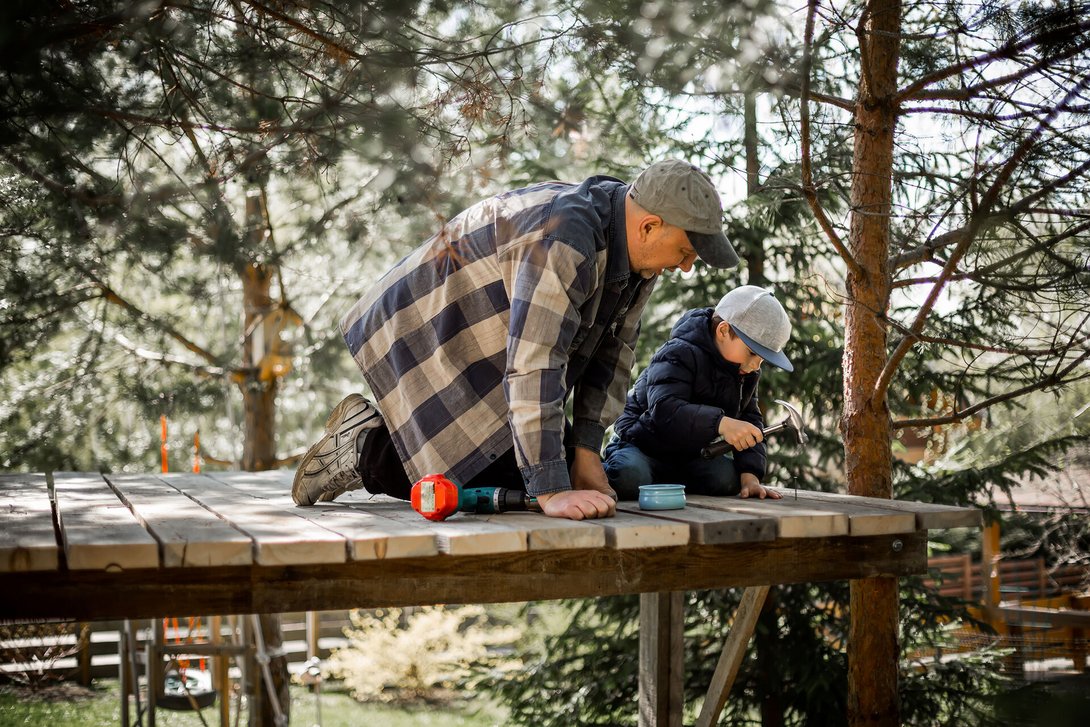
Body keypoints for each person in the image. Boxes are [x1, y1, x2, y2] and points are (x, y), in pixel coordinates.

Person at [292, 159, 740, 520]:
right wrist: (551, 490)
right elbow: (535, 361)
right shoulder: (566, 238)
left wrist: (585, 451)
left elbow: (613, 354)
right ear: (649, 226)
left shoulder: (640, 259)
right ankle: (361, 448)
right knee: (483, 478)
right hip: (426, 324)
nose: (686, 267)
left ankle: (377, 443)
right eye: (685, 252)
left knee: (550, 468)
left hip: (493, 340)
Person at [602, 285, 793, 501]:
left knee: (727, 480)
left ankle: (663, 482)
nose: (756, 365)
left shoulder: (745, 372)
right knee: (629, 477)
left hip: (688, 454)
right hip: (641, 444)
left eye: (762, 359)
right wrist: (720, 423)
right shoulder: (678, 352)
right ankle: (602, 471)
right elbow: (664, 409)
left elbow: (750, 420)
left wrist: (751, 476)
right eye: (751, 353)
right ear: (723, 331)